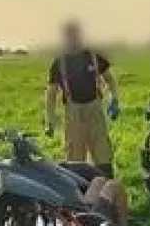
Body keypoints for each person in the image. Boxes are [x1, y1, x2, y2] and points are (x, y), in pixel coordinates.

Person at [44, 21, 121, 179]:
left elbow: (110, 80)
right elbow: (51, 93)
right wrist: (50, 118)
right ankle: (81, 196)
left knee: (103, 154)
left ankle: (107, 190)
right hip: (73, 113)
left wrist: (114, 99)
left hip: (95, 110)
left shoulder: (93, 56)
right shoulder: (59, 62)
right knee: (75, 158)